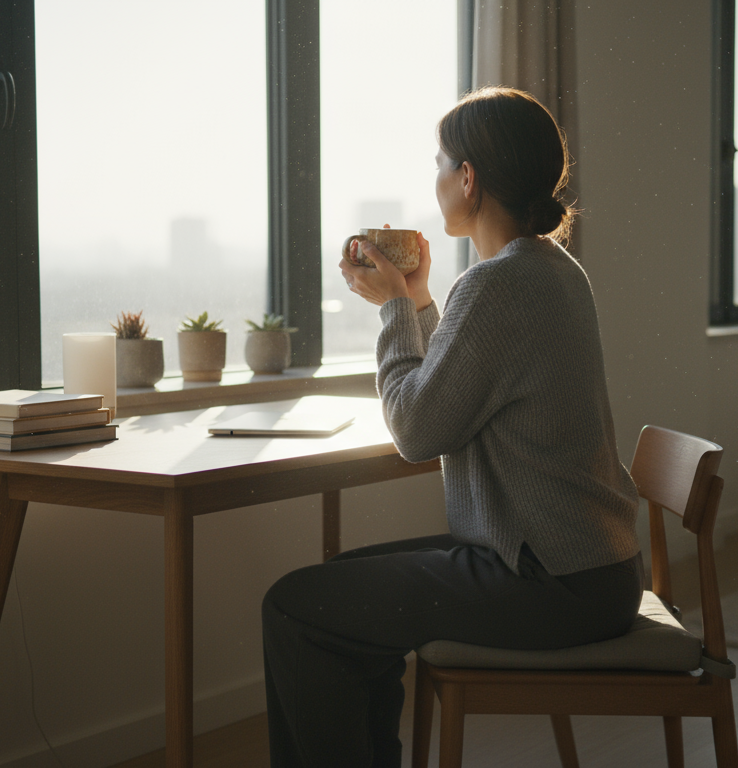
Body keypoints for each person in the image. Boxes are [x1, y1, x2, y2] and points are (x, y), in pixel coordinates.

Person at [261, 86, 642, 768]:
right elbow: (466, 386)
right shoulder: (549, 271)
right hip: (591, 572)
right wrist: (420, 301)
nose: (435, 177)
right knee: (344, 585)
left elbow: (416, 427)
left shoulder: (499, 283)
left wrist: (394, 312)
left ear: (468, 178)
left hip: (548, 584)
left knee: (296, 608)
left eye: (441, 162)